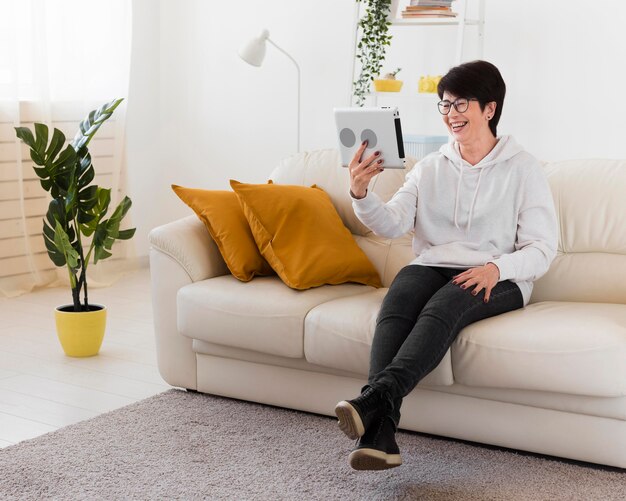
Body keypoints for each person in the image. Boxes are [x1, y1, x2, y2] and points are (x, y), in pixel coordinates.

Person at [334, 60, 558, 471]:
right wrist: (361, 191)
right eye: (445, 105)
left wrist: (496, 268)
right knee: (398, 303)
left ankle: (376, 397)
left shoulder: (523, 168)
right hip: (435, 264)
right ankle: (380, 435)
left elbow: (543, 248)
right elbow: (393, 223)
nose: (451, 114)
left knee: (444, 306)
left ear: (490, 109)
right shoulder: (431, 166)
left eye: (461, 104)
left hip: (501, 274)